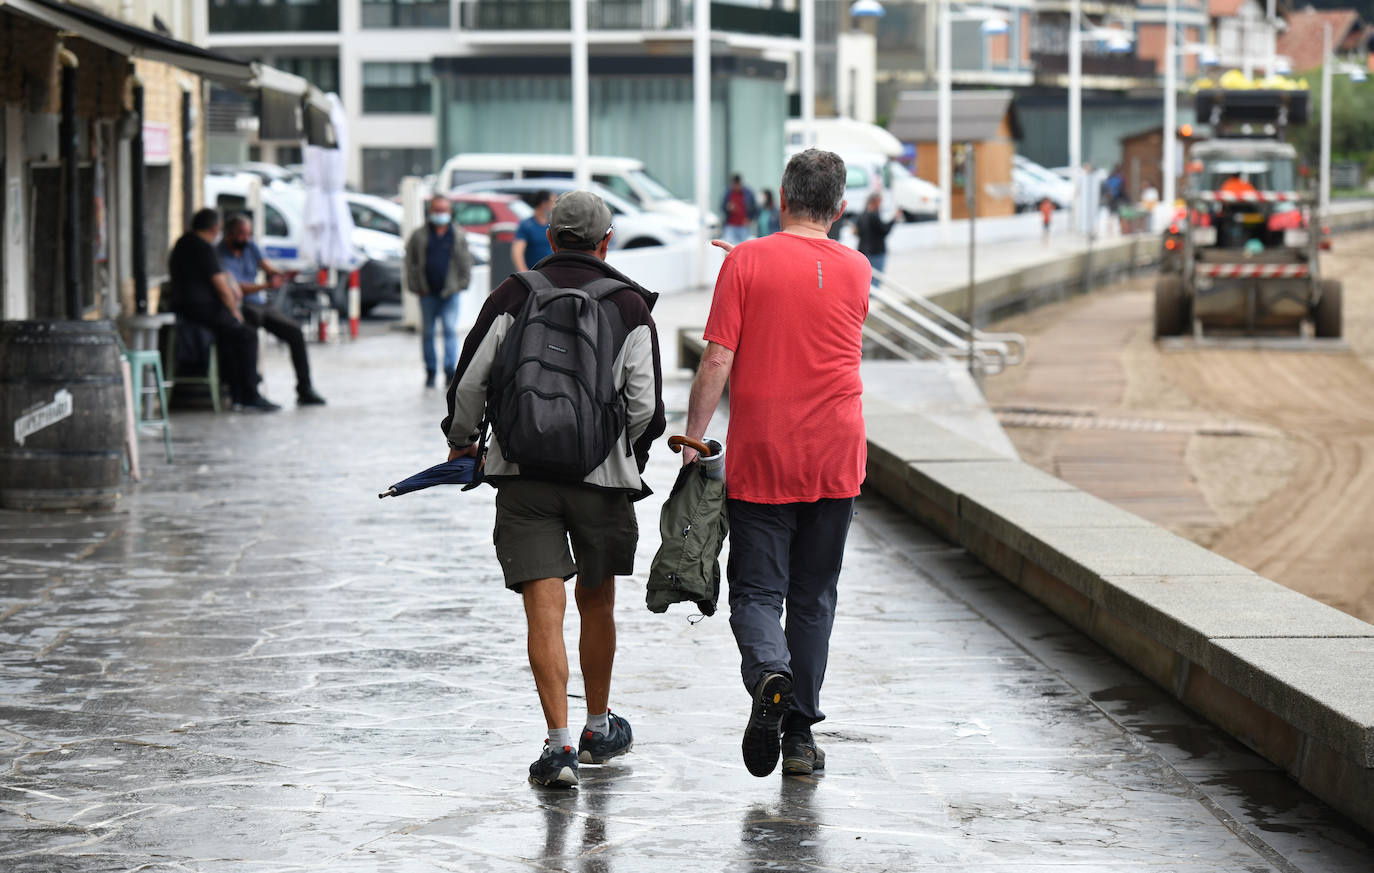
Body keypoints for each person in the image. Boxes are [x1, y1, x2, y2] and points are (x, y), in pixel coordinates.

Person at [440, 190, 666, 789]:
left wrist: (463, 442)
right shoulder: (628, 305)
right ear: (606, 242)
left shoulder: (512, 294)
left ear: (549, 236)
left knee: (544, 608)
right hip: (601, 481)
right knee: (597, 602)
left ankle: (559, 745)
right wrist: (622, 454)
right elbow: (645, 406)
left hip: (524, 475)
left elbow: (470, 383)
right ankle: (598, 727)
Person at [684, 149, 868, 779]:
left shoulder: (745, 262)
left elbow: (718, 358)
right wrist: (752, 259)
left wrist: (693, 438)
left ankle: (769, 674)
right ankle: (799, 740)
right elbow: (809, 288)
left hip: (765, 453)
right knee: (814, 598)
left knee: (758, 592)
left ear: (782, 196)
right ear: (840, 208)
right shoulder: (859, 268)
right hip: (837, 454)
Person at [168, 209, 278, 412]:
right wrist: (234, 312)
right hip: (202, 310)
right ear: (215, 228)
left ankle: (236, 393)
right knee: (246, 334)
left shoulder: (182, 243)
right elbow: (221, 286)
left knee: (231, 338)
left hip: (185, 308)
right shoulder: (204, 248)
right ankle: (249, 395)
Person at [217, 214, 326, 406]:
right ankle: (250, 391)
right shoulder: (219, 254)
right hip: (240, 305)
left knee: (295, 332)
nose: (245, 238)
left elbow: (267, 266)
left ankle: (305, 388)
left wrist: (281, 274)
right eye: (241, 234)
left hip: (259, 303)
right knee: (248, 337)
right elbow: (233, 288)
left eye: (248, 234)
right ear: (230, 234)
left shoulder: (250, 246)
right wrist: (265, 286)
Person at [404, 195, 473, 388]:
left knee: (450, 330)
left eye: (444, 210)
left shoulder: (457, 234)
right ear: (430, 211)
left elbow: (466, 260)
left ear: (450, 212)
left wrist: (463, 283)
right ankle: (430, 371)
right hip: (427, 293)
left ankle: (450, 371)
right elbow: (410, 262)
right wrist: (416, 286)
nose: (440, 214)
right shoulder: (419, 235)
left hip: (450, 293)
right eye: (437, 210)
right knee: (428, 333)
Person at [855, 192, 895, 285]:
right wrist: (894, 219)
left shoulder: (862, 215)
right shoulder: (873, 215)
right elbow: (884, 230)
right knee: (875, 282)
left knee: (866, 281)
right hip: (876, 252)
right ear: (876, 202)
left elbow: (857, 232)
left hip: (864, 252)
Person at [513, 189, 556, 272]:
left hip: (551, 272)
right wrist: (523, 272)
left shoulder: (552, 224)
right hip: (534, 273)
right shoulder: (526, 225)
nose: (555, 205)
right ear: (544, 204)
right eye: (552, 202)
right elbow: (517, 252)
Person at [720, 173, 758, 246]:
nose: (735, 187)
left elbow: (754, 208)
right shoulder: (728, 193)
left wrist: (749, 219)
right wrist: (728, 208)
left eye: (737, 185)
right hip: (730, 225)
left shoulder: (749, 193)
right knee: (728, 247)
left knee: (744, 247)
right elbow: (722, 207)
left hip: (743, 226)